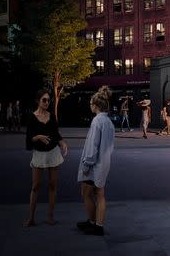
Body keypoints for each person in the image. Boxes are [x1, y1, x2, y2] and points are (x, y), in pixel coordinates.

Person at [24, 89, 67, 227]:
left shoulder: (52, 116)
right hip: (39, 153)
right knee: (35, 186)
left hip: (53, 152)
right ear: (38, 101)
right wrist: (38, 137)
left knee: (53, 185)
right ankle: (31, 218)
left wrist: (62, 143)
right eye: (44, 100)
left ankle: (50, 217)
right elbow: (29, 138)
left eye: (48, 100)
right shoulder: (32, 117)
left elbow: (56, 133)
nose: (47, 102)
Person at [77, 86, 115, 236]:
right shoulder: (109, 123)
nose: (90, 105)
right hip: (104, 163)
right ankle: (96, 224)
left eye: (91, 103)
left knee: (86, 194)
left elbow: (92, 147)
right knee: (100, 195)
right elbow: (109, 146)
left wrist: (87, 165)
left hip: (94, 165)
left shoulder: (96, 122)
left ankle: (94, 223)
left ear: (97, 106)